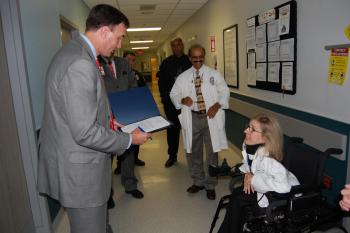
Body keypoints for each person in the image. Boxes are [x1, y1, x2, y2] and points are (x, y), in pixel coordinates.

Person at [37, 5, 151, 233]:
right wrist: (129, 140)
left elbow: (80, 110)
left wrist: (110, 122)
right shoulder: (80, 63)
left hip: (76, 165)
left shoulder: (74, 53)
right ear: (104, 32)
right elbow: (85, 132)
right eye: (119, 38)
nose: (119, 45)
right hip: (80, 176)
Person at [218, 113, 300, 233]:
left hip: (283, 197)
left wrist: (253, 179)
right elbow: (251, 165)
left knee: (238, 200)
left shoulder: (269, 160)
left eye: (252, 129)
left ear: (265, 138)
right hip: (265, 189)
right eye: (248, 126)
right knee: (237, 194)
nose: (246, 130)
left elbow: (284, 187)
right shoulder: (250, 148)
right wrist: (242, 172)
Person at [170, 44, 230, 200]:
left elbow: (224, 91)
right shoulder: (183, 77)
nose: (198, 60)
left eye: (200, 57)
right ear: (189, 58)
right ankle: (198, 181)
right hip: (193, 117)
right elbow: (173, 94)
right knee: (193, 151)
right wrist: (182, 99)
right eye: (194, 58)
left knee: (212, 152)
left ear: (204, 56)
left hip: (210, 117)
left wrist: (217, 105)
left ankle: (210, 184)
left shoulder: (214, 74)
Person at [97, 52, 144, 199]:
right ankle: (107, 194)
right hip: (105, 118)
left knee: (128, 152)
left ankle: (130, 185)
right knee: (106, 156)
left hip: (125, 116)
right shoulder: (94, 63)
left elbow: (133, 85)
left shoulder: (123, 63)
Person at [158, 38, 192, 168]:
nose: (176, 47)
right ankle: (172, 156)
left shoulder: (189, 61)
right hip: (171, 104)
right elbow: (162, 83)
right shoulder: (166, 63)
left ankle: (192, 155)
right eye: (174, 46)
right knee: (172, 130)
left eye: (179, 45)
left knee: (190, 129)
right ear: (171, 48)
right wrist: (165, 99)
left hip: (188, 103)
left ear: (182, 45)